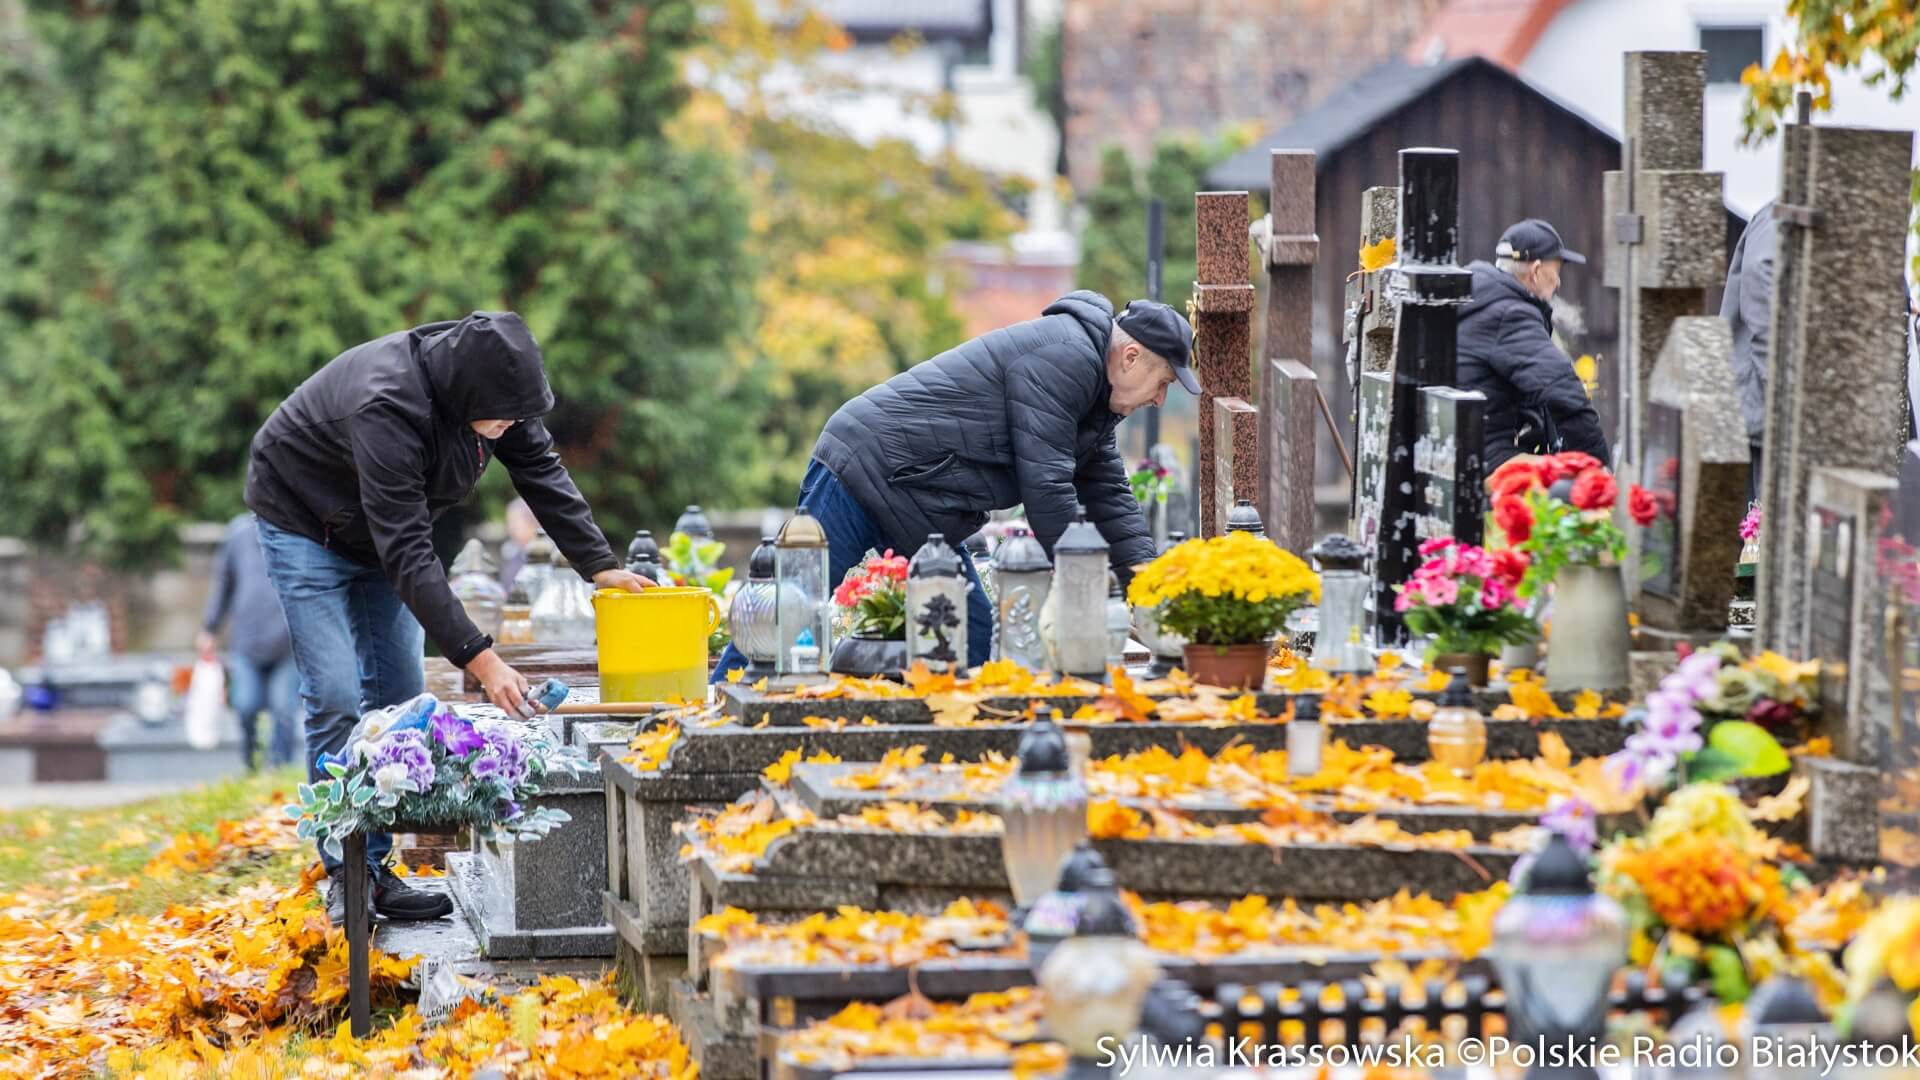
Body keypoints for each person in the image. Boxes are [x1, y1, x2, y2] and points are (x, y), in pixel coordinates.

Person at [246, 311, 654, 923]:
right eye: (504, 418)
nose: (511, 428)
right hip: (305, 524)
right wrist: (482, 661)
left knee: (400, 695)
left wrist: (599, 566)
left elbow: (541, 472)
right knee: (334, 694)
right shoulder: (387, 404)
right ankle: (348, 877)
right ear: (466, 393)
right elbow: (409, 552)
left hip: (380, 535)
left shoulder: (497, 396)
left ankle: (376, 871)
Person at [712, 292, 1199, 678]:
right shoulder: (1065, 356)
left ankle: (942, 749)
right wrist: (1089, 589)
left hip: (919, 503)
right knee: (791, 615)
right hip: (863, 468)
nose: (1160, 400)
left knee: (969, 633)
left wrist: (1151, 593)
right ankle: (718, 714)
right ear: (1130, 356)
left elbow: (1110, 499)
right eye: (1163, 383)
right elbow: (1048, 488)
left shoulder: (1094, 406)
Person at [1456, 219, 1611, 472]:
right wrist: (1598, 468)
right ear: (1536, 271)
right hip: (1487, 459)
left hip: (1463, 447)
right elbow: (1562, 389)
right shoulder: (1510, 314)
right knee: (1573, 482)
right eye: (1556, 271)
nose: (1558, 282)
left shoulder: (1478, 297)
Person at [197, 513, 300, 771]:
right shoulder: (238, 533)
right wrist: (210, 628)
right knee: (245, 706)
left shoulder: (295, 526)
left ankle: (280, 769)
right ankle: (252, 766)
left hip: (287, 644)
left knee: (284, 712)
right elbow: (224, 584)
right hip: (246, 642)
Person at [1721, 201, 1777, 503]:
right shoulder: (1779, 214)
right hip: (1765, 405)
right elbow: (1761, 284)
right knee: (1762, 519)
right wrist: (1782, 391)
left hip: (1775, 408)